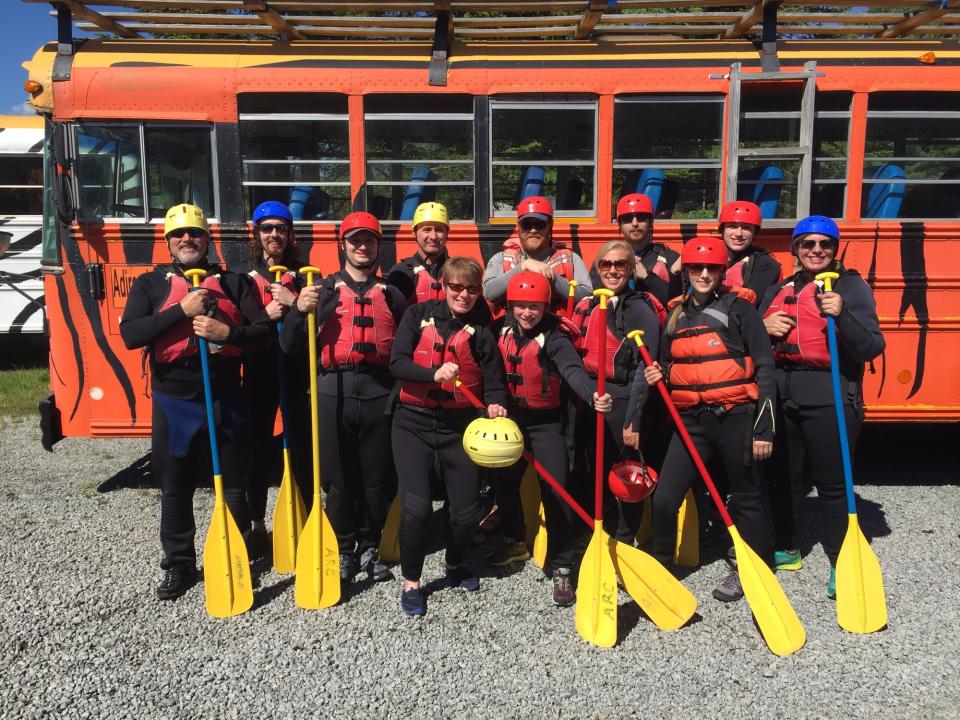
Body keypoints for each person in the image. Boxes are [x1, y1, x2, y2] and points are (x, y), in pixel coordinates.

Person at [119, 204, 271, 600]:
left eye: (195, 234)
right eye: (178, 235)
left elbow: (263, 333)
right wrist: (179, 311)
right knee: (176, 484)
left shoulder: (236, 283)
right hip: (175, 399)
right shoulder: (150, 285)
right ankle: (180, 565)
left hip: (224, 394)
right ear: (169, 241)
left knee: (234, 484)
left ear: (207, 240)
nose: (187, 239)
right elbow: (132, 335)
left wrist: (229, 333)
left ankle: (232, 556)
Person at [643, 236, 776, 603]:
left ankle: (753, 568)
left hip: (737, 417)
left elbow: (764, 368)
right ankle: (663, 564)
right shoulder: (674, 314)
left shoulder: (740, 310)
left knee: (746, 498)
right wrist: (661, 376)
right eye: (696, 268)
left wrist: (764, 428)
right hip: (692, 422)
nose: (704, 274)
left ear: (721, 272)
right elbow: (673, 367)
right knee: (666, 498)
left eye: (711, 268)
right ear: (685, 271)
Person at [280, 211, 406, 592]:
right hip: (332, 389)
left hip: (379, 391)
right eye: (355, 240)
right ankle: (342, 547)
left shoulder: (393, 293)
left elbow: (407, 346)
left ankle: (369, 546)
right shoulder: (322, 290)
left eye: (369, 240)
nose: (361, 246)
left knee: (374, 477)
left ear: (378, 245)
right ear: (343, 244)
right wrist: (300, 312)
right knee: (338, 479)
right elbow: (289, 347)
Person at [760, 215, 884, 598]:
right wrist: (763, 329)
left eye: (825, 244)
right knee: (785, 478)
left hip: (829, 394)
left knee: (832, 484)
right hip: (784, 393)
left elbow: (871, 346)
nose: (816, 250)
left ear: (835, 249)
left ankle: (840, 559)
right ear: (796, 248)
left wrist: (842, 313)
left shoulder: (850, 286)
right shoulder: (780, 289)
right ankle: (788, 547)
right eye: (808, 244)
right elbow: (751, 344)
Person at [389, 256, 509, 617]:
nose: (464, 294)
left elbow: (495, 381)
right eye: (457, 286)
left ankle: (454, 564)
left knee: (466, 512)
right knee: (417, 507)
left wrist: (496, 405)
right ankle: (412, 580)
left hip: (460, 428)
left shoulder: (482, 330)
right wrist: (433, 374)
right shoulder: (417, 315)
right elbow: (396, 363)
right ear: (444, 285)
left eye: (472, 288)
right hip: (413, 423)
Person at [490, 270, 613, 606]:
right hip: (510, 420)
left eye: (535, 306)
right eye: (521, 306)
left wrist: (592, 396)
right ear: (511, 305)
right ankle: (516, 539)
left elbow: (573, 370)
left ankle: (561, 565)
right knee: (502, 482)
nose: (527, 313)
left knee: (557, 490)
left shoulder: (555, 337)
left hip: (545, 423)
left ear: (545, 306)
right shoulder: (498, 328)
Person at [572, 240, 663, 543]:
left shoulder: (640, 307)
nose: (612, 270)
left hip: (623, 401)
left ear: (630, 269)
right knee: (591, 472)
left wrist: (633, 421)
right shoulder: (586, 304)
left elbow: (644, 368)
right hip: (590, 398)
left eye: (620, 264)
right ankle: (599, 534)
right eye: (605, 264)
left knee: (627, 476)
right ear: (597, 269)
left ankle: (625, 539)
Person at [235, 201, 311, 552]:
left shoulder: (307, 274)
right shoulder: (240, 276)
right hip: (259, 370)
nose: (274, 235)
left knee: (300, 446)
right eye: (267, 229)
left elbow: (319, 322)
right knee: (255, 449)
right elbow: (232, 326)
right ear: (258, 235)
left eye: (281, 228)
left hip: (295, 370)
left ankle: (307, 517)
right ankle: (256, 524)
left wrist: (294, 301)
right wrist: (264, 314)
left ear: (289, 234)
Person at [482, 195, 592, 316]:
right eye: (526, 225)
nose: (533, 230)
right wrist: (522, 267)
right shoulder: (501, 259)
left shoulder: (571, 259)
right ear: (518, 227)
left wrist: (553, 278)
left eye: (539, 225)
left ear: (550, 226)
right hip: (511, 331)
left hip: (558, 330)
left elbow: (587, 298)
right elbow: (489, 293)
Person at [612, 193, 682, 307]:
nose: (635, 223)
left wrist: (646, 277)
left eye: (641, 217)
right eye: (628, 219)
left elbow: (676, 303)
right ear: (620, 224)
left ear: (650, 222)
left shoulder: (671, 259)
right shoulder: (606, 260)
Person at [717, 200, 782, 305]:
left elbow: (746, 306)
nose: (739, 233)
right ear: (722, 230)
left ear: (754, 233)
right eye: (732, 226)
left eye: (746, 227)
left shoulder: (766, 264)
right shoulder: (705, 255)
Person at [386, 201, 450, 306]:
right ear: (414, 233)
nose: (433, 236)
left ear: (447, 234)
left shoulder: (459, 271)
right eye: (427, 230)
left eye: (439, 230)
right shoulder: (401, 273)